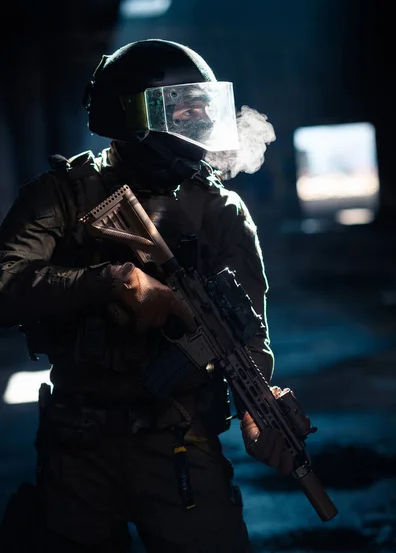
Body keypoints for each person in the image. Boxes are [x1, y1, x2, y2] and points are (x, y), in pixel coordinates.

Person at [0, 39, 292, 553]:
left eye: (205, 107)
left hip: (181, 442)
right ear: (130, 114)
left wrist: (258, 409)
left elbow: (248, 331)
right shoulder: (63, 195)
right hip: (78, 446)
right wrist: (112, 282)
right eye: (181, 108)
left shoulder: (221, 209)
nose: (197, 120)